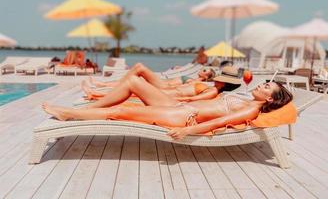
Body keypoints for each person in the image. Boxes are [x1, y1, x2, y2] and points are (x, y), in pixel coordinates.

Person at [43, 78, 293, 140]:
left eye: (267, 86)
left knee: (118, 113)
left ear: (270, 99)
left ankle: (68, 114)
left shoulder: (250, 110)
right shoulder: (245, 99)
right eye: (266, 82)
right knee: (134, 83)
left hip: (181, 116)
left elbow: (216, 124)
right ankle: (88, 106)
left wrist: (187, 132)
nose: (262, 84)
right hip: (178, 107)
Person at [82, 63, 217, 101]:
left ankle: (98, 89)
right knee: (136, 77)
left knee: (139, 68)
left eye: (206, 71)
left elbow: (184, 90)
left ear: (207, 77)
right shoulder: (194, 79)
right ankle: (101, 86)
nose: (203, 70)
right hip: (163, 82)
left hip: (164, 86)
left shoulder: (195, 82)